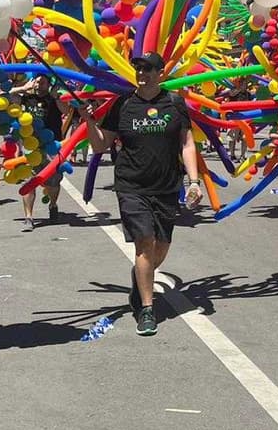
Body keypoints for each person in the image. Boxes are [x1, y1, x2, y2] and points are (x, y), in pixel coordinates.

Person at [77, 52, 203, 336]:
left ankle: (140, 278)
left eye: (148, 69)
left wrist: (194, 182)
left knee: (161, 246)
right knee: (145, 243)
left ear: (160, 72)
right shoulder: (123, 105)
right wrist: (88, 121)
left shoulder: (175, 103)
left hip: (167, 186)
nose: (142, 73)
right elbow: (100, 145)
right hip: (131, 185)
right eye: (138, 69)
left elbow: (187, 144)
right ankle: (147, 309)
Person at [10, 74, 69, 232]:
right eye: (36, 82)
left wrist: (56, 97)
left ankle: (53, 205)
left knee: (53, 182)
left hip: (52, 145)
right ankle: (29, 217)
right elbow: (8, 95)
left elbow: (66, 110)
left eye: (42, 82)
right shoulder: (26, 98)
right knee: (29, 181)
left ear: (48, 84)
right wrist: (23, 88)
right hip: (30, 145)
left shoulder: (54, 98)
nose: (38, 85)